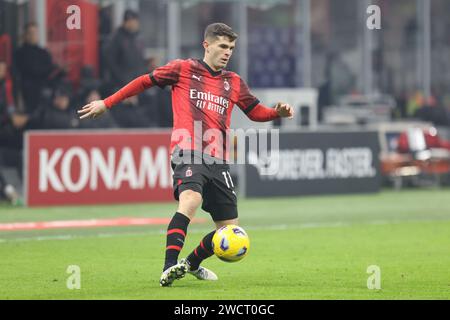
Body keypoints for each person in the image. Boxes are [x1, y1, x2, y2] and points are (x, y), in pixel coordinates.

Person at [78, 23, 294, 287]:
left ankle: (190, 264)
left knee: (229, 233)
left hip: (218, 159)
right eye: (223, 46)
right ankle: (169, 267)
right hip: (188, 150)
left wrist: (276, 113)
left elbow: (254, 111)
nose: (228, 52)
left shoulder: (233, 81)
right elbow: (143, 81)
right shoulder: (183, 69)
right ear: (207, 45)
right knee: (190, 200)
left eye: (232, 48)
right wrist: (106, 103)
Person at [14, 23, 65, 114]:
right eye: (31, 33)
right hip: (28, 92)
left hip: (45, 91)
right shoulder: (20, 53)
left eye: (35, 33)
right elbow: (31, 70)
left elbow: (50, 70)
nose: (33, 35)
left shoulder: (43, 52)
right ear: (25, 35)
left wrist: (60, 69)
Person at [103, 9, 146, 91]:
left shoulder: (138, 37)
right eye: (134, 21)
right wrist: (123, 80)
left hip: (137, 84)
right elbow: (110, 62)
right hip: (120, 86)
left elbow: (139, 60)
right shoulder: (116, 38)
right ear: (128, 21)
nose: (136, 24)